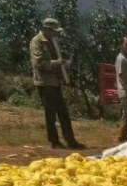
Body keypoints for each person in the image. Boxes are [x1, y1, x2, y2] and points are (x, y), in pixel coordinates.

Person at [30, 17, 86, 151]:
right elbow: (39, 64)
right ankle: (54, 141)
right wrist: (57, 63)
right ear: (46, 30)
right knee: (50, 113)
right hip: (44, 82)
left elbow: (57, 59)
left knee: (63, 112)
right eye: (54, 31)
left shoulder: (53, 41)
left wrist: (64, 64)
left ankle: (71, 140)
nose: (56, 34)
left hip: (55, 82)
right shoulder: (36, 42)